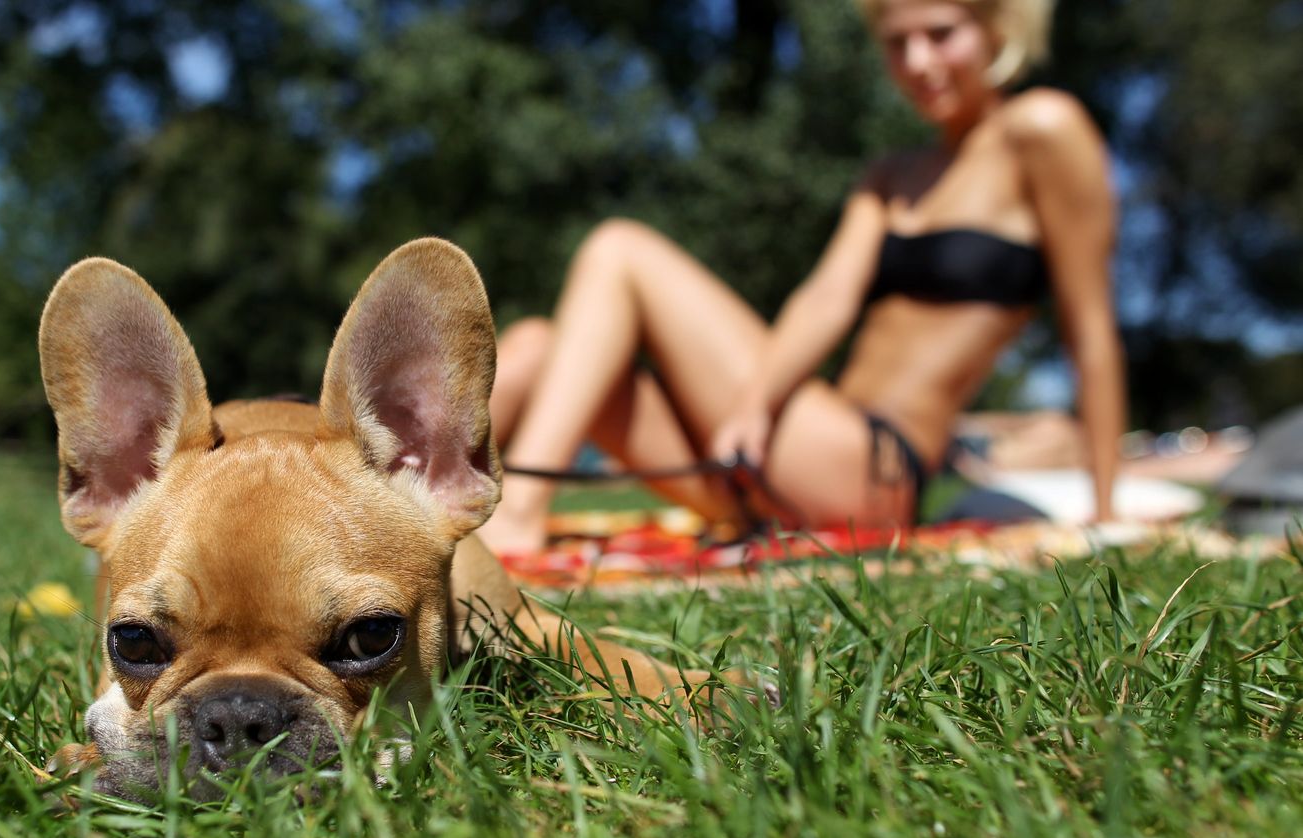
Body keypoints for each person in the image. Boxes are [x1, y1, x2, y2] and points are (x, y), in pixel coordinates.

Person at [480, 0, 1126, 556]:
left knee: (619, 248)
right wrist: (756, 403)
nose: (919, 62)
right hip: (800, 449)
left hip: (875, 472)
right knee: (537, 344)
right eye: (898, 43)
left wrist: (1104, 510)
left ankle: (520, 512)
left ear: (995, 26)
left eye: (940, 33)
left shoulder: (1042, 129)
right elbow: (826, 298)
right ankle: (400, 505)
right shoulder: (891, 173)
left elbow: (1090, 329)